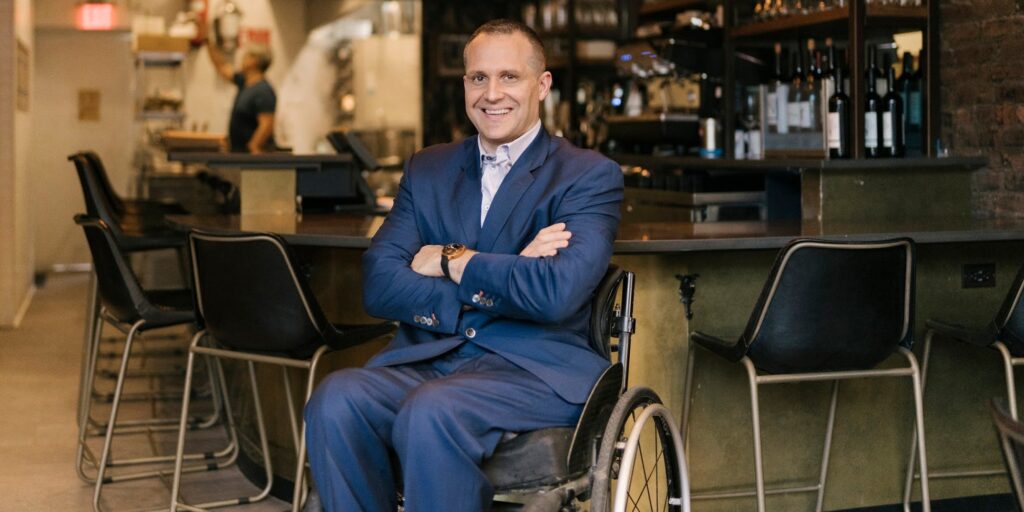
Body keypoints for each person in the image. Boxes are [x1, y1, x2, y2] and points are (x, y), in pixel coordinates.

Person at [304, 19, 624, 512]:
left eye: (509, 77)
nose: (491, 93)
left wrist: (454, 260)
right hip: (431, 358)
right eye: (478, 78)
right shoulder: (427, 168)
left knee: (432, 411)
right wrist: (512, 269)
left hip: (532, 369)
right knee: (336, 397)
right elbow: (381, 283)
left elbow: (557, 293)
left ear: (542, 85)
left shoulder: (586, 175)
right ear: (465, 85)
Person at [201, 25, 276, 153]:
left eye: (247, 56)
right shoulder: (244, 82)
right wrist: (208, 41)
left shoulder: (263, 91)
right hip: (239, 152)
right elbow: (222, 67)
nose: (243, 58)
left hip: (251, 156)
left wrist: (254, 146)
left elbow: (267, 123)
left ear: (255, 61)